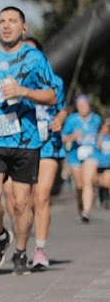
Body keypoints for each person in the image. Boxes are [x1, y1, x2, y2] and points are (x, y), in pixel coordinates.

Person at [0, 6, 56, 275]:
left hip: (25, 140)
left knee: (21, 202)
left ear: (23, 28)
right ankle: (0, 235)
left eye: (12, 21)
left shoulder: (34, 58)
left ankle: (20, 251)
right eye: (2, 21)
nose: (6, 26)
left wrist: (23, 91)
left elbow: (51, 96)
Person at [22, 36, 67, 268]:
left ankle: (40, 248)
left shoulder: (54, 82)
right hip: (22, 144)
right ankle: (21, 242)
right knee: (21, 201)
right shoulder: (12, 82)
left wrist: (59, 119)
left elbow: (62, 109)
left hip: (49, 143)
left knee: (42, 195)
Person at [62, 93, 101, 223]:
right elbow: (63, 137)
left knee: (87, 182)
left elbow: (100, 134)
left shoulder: (96, 119)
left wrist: (100, 142)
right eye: (80, 106)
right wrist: (73, 136)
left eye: (85, 105)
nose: (83, 108)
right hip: (75, 156)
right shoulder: (72, 120)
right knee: (79, 185)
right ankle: (81, 203)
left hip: (91, 154)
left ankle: (86, 211)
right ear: (77, 107)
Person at [97, 118, 110, 210]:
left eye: (107, 128)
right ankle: (101, 198)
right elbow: (97, 147)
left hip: (108, 163)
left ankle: (106, 199)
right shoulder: (98, 137)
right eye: (103, 128)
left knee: (107, 181)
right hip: (99, 163)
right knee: (101, 183)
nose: (105, 130)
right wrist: (99, 138)